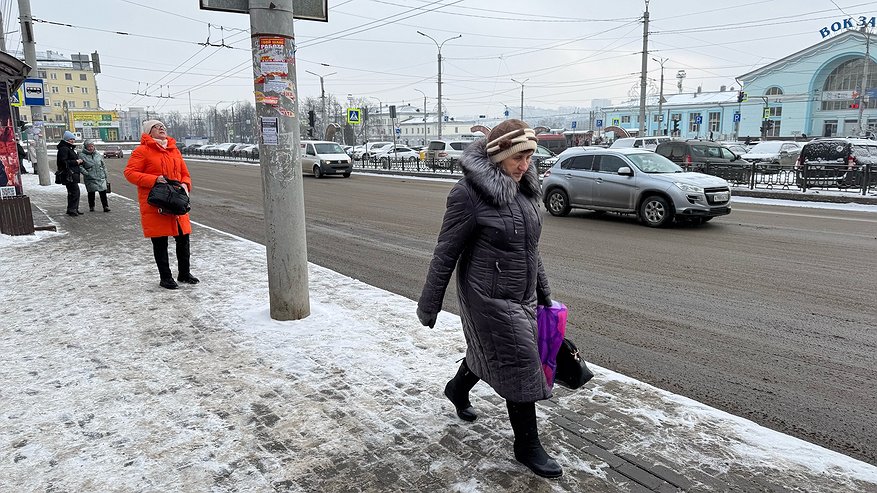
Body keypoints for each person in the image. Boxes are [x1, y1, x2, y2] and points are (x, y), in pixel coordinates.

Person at [417, 119, 561, 479]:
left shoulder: (525, 190)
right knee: (521, 362)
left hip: (522, 294)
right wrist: (429, 303)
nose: (525, 165)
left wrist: (544, 294)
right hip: (487, 296)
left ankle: (456, 388)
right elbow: (445, 251)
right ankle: (527, 445)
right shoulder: (467, 193)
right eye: (518, 157)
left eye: (529, 157)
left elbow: (531, 250)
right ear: (499, 155)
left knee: (490, 354)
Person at [124, 120, 198, 290]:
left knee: (183, 238)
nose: (161, 128)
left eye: (163, 126)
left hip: (177, 201)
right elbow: (129, 173)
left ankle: (184, 273)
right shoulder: (142, 151)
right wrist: (154, 179)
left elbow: (185, 173)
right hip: (156, 204)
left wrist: (185, 185)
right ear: (149, 132)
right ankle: (165, 278)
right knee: (160, 242)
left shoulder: (174, 150)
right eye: (156, 127)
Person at [79, 139, 110, 212]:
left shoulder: (98, 154)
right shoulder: (82, 155)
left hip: (100, 176)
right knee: (91, 192)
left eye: (92, 146)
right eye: (89, 146)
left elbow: (103, 165)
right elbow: (80, 167)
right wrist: (87, 173)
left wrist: (105, 174)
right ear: (86, 147)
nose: (91, 148)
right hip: (90, 177)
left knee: (103, 192)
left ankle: (105, 206)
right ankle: (91, 206)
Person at [57, 130, 83, 217]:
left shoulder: (68, 148)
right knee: (75, 192)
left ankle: (72, 208)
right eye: (70, 139)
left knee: (72, 192)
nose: (72, 140)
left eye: (73, 139)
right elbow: (63, 162)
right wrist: (76, 161)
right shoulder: (64, 149)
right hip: (69, 174)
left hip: (71, 174)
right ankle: (72, 209)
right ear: (66, 139)